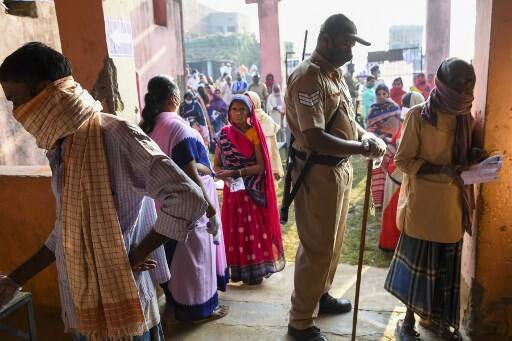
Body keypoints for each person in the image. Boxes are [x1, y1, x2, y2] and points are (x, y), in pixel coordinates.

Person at [0, 42, 208, 340]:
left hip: (127, 304)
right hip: (85, 305)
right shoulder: (63, 148)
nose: (16, 112)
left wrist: (137, 254)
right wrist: (14, 281)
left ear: (45, 91)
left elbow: (188, 197)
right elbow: (66, 231)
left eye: (16, 100)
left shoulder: (115, 135)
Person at [284, 14, 386, 341]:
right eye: (345, 44)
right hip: (316, 171)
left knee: (333, 242)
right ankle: (300, 321)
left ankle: (321, 294)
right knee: (316, 248)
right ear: (325, 40)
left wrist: (365, 137)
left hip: (338, 169)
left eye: (352, 45)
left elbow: (344, 119)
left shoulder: (335, 75)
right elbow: (314, 137)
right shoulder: (309, 78)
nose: (350, 52)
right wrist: (360, 147)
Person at [385, 58, 479, 341]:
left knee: (444, 272)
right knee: (417, 272)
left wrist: (477, 158)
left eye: (468, 86)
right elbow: (402, 160)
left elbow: (463, 157)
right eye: (459, 86)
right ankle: (408, 323)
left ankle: (440, 323)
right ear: (442, 85)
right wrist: (440, 169)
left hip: (452, 206)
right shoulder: (418, 116)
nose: (464, 92)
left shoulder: (466, 118)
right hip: (423, 206)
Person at [140, 75, 229, 323]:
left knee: (174, 261)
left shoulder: (150, 125)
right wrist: (210, 210)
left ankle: (176, 304)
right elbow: (189, 175)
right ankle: (197, 311)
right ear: (174, 98)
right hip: (187, 207)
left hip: (160, 205)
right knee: (193, 262)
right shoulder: (177, 127)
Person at [213, 94, 285, 286]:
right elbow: (217, 165)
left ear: (249, 112)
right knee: (235, 228)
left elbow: (261, 166)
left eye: (242, 109)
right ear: (229, 112)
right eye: (234, 109)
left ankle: (256, 270)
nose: (238, 113)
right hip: (233, 192)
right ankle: (238, 270)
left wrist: (237, 172)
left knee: (253, 228)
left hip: (251, 190)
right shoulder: (224, 135)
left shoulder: (254, 133)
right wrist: (223, 174)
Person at [379, 91, 424, 251]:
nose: (403, 109)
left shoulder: (414, 122)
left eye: (406, 105)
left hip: (401, 174)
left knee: (399, 211)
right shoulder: (409, 121)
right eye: (403, 106)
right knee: (394, 211)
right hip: (397, 175)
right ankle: (390, 244)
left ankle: (395, 244)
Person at [366, 84, 401, 209]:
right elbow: (370, 129)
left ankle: (388, 197)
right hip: (377, 141)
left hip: (393, 142)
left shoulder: (395, 108)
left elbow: (398, 126)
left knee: (388, 163)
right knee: (375, 165)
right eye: (378, 94)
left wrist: (390, 138)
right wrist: (380, 138)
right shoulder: (373, 109)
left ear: (388, 94)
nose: (381, 96)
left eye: (384, 94)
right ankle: (378, 201)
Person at [246, 90, 284, 188]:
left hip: (263, 162)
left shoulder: (266, 120)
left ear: (256, 102)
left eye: (249, 101)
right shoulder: (242, 118)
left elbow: (272, 147)